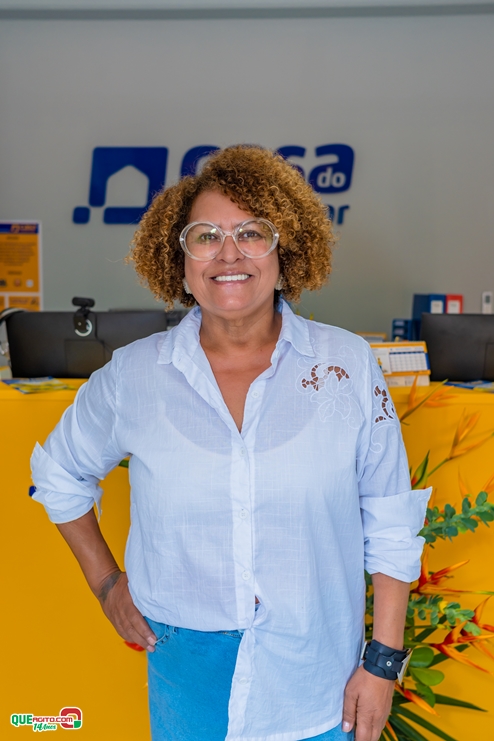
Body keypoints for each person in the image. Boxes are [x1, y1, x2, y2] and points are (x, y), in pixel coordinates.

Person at [31, 145, 431, 741]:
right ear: (179, 259)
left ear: (284, 248)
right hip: (187, 670)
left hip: (316, 674)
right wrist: (106, 583)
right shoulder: (135, 375)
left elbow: (390, 518)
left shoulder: (346, 365)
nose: (229, 254)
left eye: (251, 233)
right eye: (206, 236)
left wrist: (382, 663)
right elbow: (59, 473)